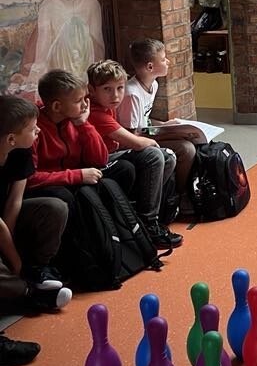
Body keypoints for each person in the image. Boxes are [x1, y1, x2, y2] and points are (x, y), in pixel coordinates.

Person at [87, 60, 182, 249]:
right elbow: (136, 142)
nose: (115, 95)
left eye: (120, 88)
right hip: (98, 164)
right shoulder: (96, 112)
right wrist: (154, 143)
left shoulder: (109, 105)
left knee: (168, 157)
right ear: (92, 90)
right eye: (107, 89)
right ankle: (148, 224)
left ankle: (140, 213)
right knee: (155, 155)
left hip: (114, 153)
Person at [0, 96, 71, 341]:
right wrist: (14, 261)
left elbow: (14, 201)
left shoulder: (21, 151)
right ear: (11, 138)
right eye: (32, 128)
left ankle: (38, 271)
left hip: (6, 222)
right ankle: (31, 292)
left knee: (55, 207)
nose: (38, 130)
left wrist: (11, 254)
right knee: (8, 270)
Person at [27, 69, 134, 198]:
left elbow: (100, 161)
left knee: (124, 168)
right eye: (78, 101)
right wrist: (78, 176)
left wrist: (83, 125)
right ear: (57, 107)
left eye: (85, 98)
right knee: (64, 195)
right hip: (55, 181)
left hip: (78, 174)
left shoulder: (75, 118)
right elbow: (29, 178)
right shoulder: (33, 129)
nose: (85, 105)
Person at [117, 38, 197, 197]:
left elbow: (144, 121)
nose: (168, 61)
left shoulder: (153, 85)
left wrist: (165, 125)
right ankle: (178, 196)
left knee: (191, 142)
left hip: (142, 135)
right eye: (163, 59)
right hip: (130, 144)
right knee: (186, 149)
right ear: (150, 67)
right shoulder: (131, 95)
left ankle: (180, 191)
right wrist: (171, 134)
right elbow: (131, 135)